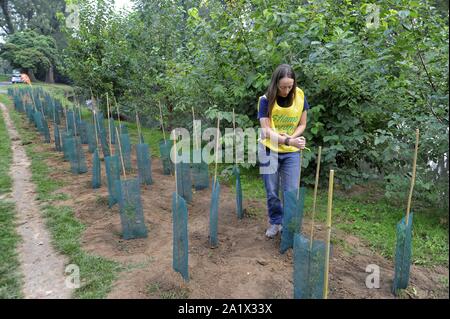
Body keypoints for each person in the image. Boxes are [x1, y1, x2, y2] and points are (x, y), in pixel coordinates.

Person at [257, 64, 309, 238]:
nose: (287, 90)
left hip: (291, 152)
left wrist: (293, 138)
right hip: (268, 149)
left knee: (291, 192)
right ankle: (275, 222)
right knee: (272, 191)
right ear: (275, 84)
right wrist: (289, 140)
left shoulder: (300, 96)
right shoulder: (265, 100)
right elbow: (265, 131)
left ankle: (289, 226)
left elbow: (302, 124)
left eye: (290, 86)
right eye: (283, 87)